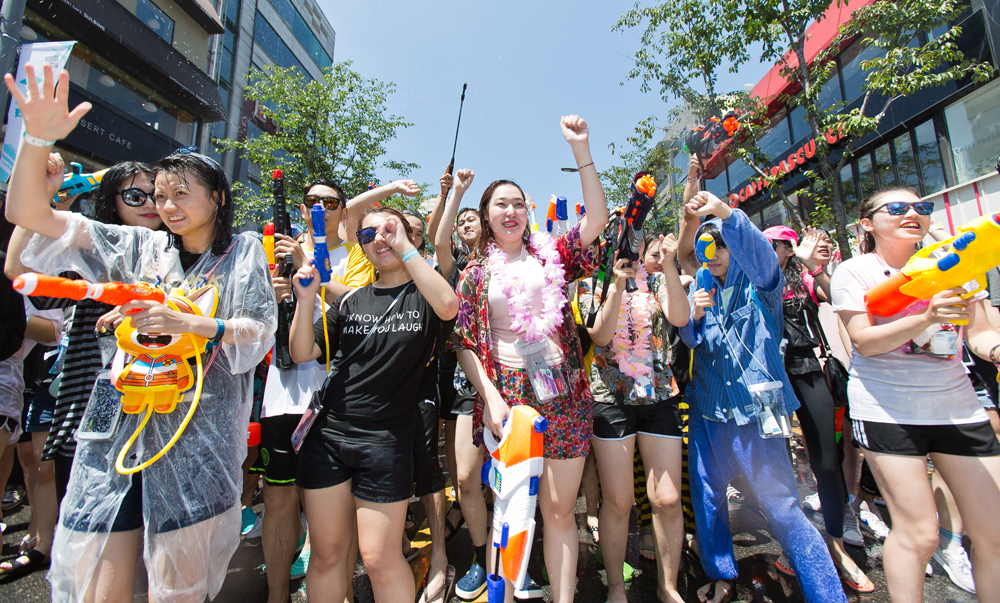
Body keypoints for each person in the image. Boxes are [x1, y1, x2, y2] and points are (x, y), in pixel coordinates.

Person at [5, 63, 277, 602]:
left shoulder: (241, 251)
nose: (166, 205)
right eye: (160, 194)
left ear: (217, 197)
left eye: (181, 193)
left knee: (176, 590)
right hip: (117, 436)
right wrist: (36, 143)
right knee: (101, 584)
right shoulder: (140, 248)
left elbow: (258, 331)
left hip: (194, 442)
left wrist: (192, 323)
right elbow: (26, 214)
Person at [450, 115, 608, 603]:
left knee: (560, 512)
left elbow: (597, 223)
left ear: (529, 212)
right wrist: (491, 399)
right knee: (511, 511)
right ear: (488, 215)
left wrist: (581, 149)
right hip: (511, 399)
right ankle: (507, 591)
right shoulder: (475, 275)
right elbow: (464, 343)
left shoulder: (553, 255)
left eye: (519, 202)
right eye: (501, 204)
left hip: (563, 393)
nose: (511, 210)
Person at [831, 186, 1000, 602]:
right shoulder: (855, 271)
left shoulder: (958, 264)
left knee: (993, 531)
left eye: (921, 207)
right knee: (919, 533)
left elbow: (981, 333)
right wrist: (925, 315)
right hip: (887, 410)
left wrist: (995, 349)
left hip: (959, 408)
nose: (913, 213)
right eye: (898, 208)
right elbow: (865, 341)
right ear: (867, 224)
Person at [679, 190, 846, 603]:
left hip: (763, 404)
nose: (714, 253)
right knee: (708, 497)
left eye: (721, 243)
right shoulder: (699, 289)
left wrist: (724, 213)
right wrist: (693, 316)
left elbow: (762, 257)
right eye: (706, 245)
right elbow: (688, 337)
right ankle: (720, 574)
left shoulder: (761, 285)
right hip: (708, 406)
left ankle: (826, 593)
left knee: (783, 505)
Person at [290, 206, 458, 603]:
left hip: (387, 442)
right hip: (328, 439)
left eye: (388, 230)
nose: (378, 239)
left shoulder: (426, 295)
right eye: (367, 235)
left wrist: (404, 245)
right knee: (328, 557)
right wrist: (305, 298)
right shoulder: (349, 302)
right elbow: (302, 351)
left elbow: (449, 306)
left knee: (380, 559)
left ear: (407, 235)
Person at [5, 154, 164, 506]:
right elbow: (19, 270)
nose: (151, 203)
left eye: (158, 194)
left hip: (162, 405)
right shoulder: (90, 254)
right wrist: (43, 205)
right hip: (96, 399)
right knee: (85, 525)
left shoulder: (180, 252)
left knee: (148, 537)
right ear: (110, 201)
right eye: (136, 196)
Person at [255, 177, 378, 603]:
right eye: (311, 201)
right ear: (301, 208)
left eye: (330, 201)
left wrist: (307, 264)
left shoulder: (360, 255)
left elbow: (358, 315)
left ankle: (341, 594)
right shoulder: (273, 252)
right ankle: (276, 595)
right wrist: (271, 298)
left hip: (336, 397)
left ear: (344, 211)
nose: (320, 207)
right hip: (284, 392)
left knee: (335, 513)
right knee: (279, 499)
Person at [578, 229, 689, 603]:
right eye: (614, 237)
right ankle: (615, 588)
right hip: (611, 400)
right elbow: (599, 335)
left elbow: (680, 316)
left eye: (632, 238)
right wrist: (615, 284)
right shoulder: (591, 283)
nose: (624, 244)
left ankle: (668, 586)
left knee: (668, 499)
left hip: (660, 396)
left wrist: (670, 265)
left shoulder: (657, 280)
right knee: (620, 500)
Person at [763, 224, 874, 592]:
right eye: (775, 245)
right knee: (777, 467)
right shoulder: (753, 277)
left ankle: (837, 546)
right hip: (767, 376)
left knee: (827, 461)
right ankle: (793, 546)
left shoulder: (807, 279)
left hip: (808, 368)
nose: (780, 250)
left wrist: (816, 268)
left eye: (785, 245)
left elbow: (838, 297)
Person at [431, 169, 495, 600]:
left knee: (515, 477)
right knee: (467, 479)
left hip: (514, 381)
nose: (468, 225)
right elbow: (437, 243)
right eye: (463, 222)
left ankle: (519, 556)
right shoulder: (457, 269)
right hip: (465, 379)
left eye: (475, 218)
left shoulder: (512, 259)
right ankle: (482, 555)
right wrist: (457, 194)